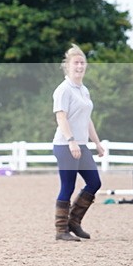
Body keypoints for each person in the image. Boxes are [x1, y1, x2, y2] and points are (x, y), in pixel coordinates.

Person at [51, 44, 105, 241]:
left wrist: (97, 143)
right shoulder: (63, 90)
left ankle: (74, 222)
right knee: (68, 186)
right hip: (65, 145)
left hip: (81, 145)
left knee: (94, 182)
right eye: (76, 63)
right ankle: (60, 230)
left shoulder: (83, 90)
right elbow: (61, 118)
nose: (80, 66)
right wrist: (71, 141)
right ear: (68, 66)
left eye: (82, 62)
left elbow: (87, 119)